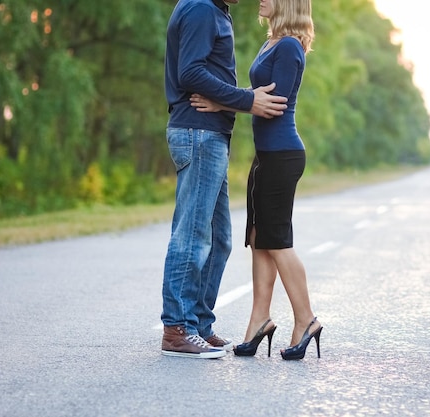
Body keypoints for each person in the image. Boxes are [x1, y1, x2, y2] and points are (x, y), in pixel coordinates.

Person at [191, 0, 322, 360]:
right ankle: (259, 320)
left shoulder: (290, 46)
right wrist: (235, 99)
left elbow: (273, 104)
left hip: (282, 155)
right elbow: (256, 100)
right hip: (267, 156)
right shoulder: (273, 42)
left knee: (277, 241)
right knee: (258, 239)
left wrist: (221, 103)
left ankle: (306, 320)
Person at [160, 0, 288, 360]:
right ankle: (177, 329)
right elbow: (191, 73)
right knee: (193, 235)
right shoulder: (202, 8)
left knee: (219, 240)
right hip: (198, 134)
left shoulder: (216, 10)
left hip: (210, 134)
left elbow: (207, 77)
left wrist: (231, 104)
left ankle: (198, 323)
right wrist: (247, 101)